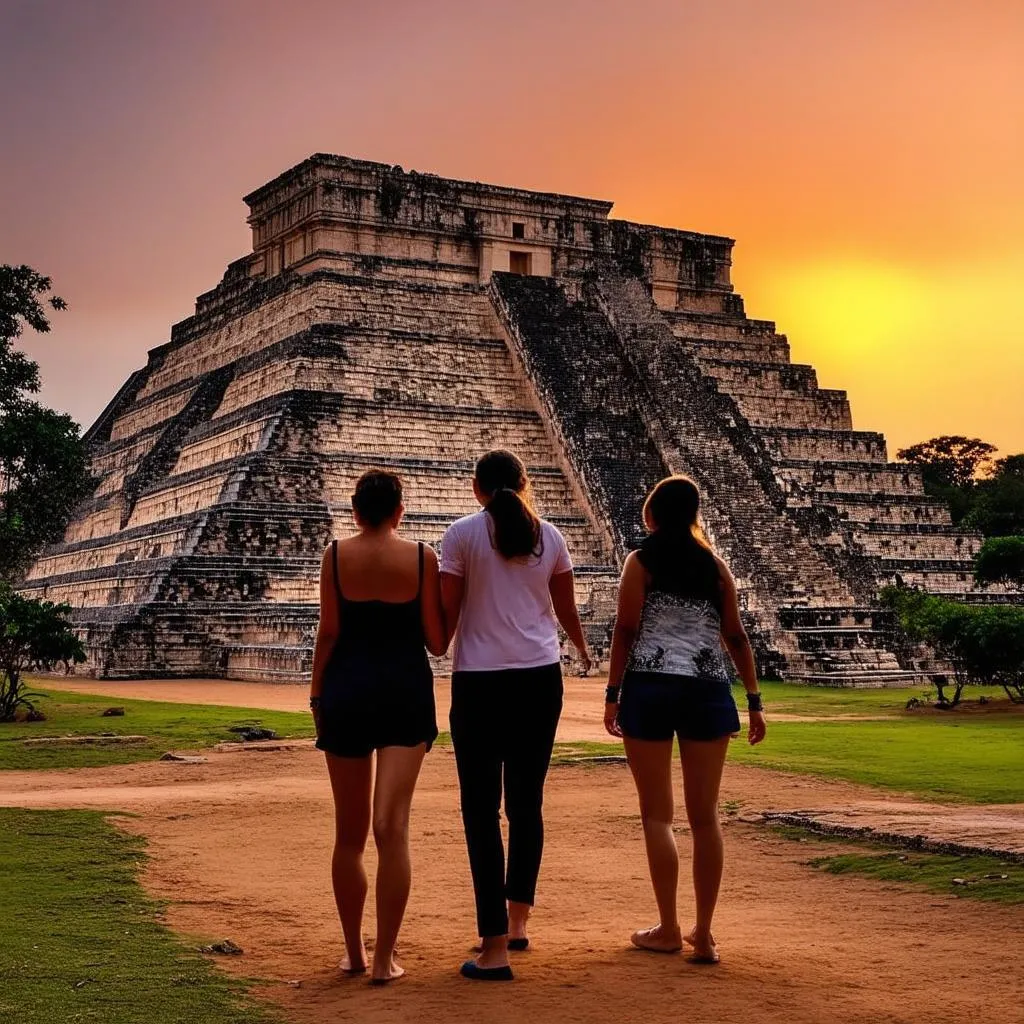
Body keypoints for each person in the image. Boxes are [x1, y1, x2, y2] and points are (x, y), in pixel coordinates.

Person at [440, 449, 592, 981]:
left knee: (480, 812)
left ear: (477, 488)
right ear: (524, 484)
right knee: (527, 805)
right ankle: (518, 920)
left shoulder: (460, 535)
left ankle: (494, 945)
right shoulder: (550, 536)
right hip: (539, 678)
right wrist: (582, 647)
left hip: (480, 681)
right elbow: (566, 607)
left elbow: (446, 623)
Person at [604, 475, 766, 965]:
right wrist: (755, 700)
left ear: (652, 513)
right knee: (705, 817)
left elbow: (626, 629)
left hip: (651, 688)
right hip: (707, 689)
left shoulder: (641, 562)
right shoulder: (716, 568)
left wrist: (613, 693)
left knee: (657, 814)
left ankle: (669, 927)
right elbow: (736, 638)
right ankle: (705, 933)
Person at [309, 470, 447, 985]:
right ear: (400, 509)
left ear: (355, 510)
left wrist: (317, 693)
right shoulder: (421, 557)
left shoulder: (335, 556)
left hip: (346, 690)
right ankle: (387, 957)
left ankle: (353, 951)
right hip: (404, 693)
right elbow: (436, 643)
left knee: (349, 834)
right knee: (392, 829)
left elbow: (328, 634)